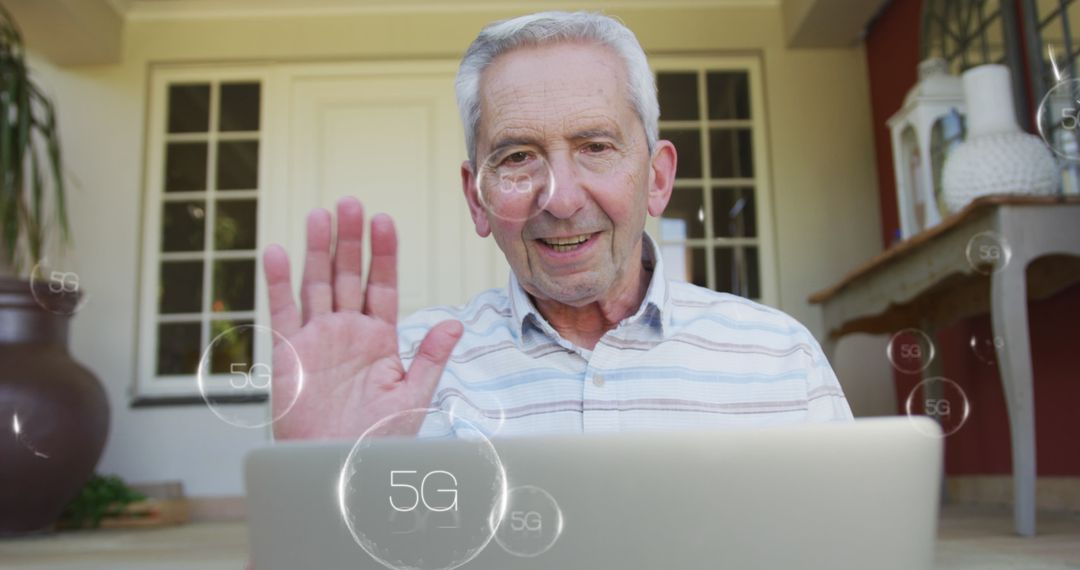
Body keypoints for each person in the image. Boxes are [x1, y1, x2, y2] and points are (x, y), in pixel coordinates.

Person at [261, 11, 853, 441]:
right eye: (517, 157)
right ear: (477, 198)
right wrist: (323, 482)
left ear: (657, 178)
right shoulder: (397, 374)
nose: (562, 199)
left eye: (595, 146)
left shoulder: (777, 358)